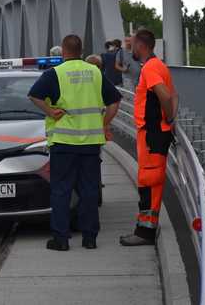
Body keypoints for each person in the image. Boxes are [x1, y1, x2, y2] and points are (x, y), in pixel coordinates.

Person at [28, 35, 121, 251]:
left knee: (61, 191)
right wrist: (103, 124)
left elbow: (34, 95)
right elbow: (115, 101)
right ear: (81, 50)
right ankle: (89, 238)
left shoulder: (55, 74)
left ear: (63, 52)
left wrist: (51, 111)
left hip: (63, 143)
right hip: (90, 143)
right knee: (89, 190)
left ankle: (61, 239)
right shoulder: (95, 72)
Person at [120, 30, 178, 246]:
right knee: (149, 181)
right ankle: (145, 227)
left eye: (132, 44)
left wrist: (168, 119)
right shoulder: (159, 66)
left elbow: (164, 94)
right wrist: (169, 121)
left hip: (152, 134)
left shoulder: (151, 68)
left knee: (149, 182)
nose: (130, 49)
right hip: (154, 132)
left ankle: (145, 232)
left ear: (141, 46)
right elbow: (174, 96)